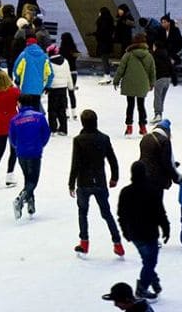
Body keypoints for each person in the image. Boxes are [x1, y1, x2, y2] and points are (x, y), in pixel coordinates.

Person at [68, 109, 123, 256]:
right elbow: (112, 160)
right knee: (106, 213)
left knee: (82, 213)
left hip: (84, 182)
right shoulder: (104, 139)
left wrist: (71, 183)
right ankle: (117, 243)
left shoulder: (78, 140)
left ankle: (84, 243)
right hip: (100, 181)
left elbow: (75, 163)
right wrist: (114, 177)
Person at [117, 161, 170, 300]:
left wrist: (125, 232)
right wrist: (166, 228)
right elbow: (160, 212)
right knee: (150, 262)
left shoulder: (126, 192)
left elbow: (121, 215)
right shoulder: (151, 190)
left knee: (147, 260)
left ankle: (154, 282)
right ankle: (142, 288)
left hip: (135, 233)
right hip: (150, 232)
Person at [9, 94, 51, 220]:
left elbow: (12, 138)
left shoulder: (14, 119)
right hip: (35, 152)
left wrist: (19, 147)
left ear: (20, 104)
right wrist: (40, 144)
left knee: (28, 178)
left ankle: (31, 205)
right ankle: (20, 199)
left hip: (21, 153)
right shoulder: (39, 117)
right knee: (33, 181)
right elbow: (46, 133)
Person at [114, 33, 154, 136]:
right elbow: (152, 71)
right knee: (141, 105)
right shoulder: (148, 55)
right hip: (142, 84)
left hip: (129, 82)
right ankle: (143, 127)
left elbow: (121, 69)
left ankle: (129, 127)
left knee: (130, 105)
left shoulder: (128, 54)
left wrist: (116, 80)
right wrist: (152, 83)